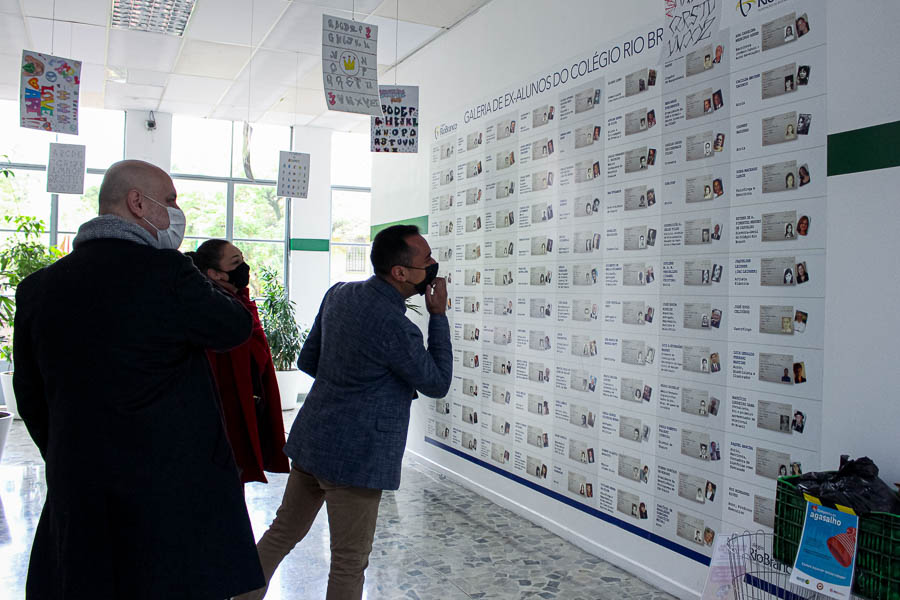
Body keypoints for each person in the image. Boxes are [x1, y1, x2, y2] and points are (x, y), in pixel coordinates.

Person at [13, 160, 264, 598]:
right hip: (168, 497)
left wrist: (70, 454)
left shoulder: (38, 287)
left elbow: (30, 396)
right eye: (169, 201)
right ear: (137, 203)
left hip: (80, 488)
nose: (176, 212)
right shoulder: (168, 273)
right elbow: (233, 328)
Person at [239, 225, 452, 600]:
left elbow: (308, 360)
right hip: (357, 459)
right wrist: (438, 316)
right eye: (427, 259)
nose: (434, 264)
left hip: (313, 441)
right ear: (400, 272)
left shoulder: (339, 293)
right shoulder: (397, 327)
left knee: (283, 531)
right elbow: (436, 382)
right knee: (349, 561)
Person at [186, 240, 290, 485]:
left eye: (242, 259)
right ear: (215, 274)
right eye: (236, 262)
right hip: (223, 409)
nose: (244, 267)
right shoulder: (214, 307)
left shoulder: (237, 300)